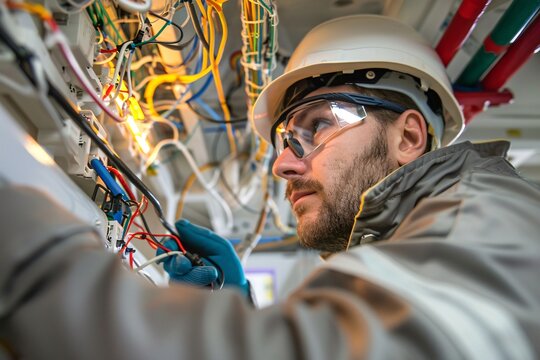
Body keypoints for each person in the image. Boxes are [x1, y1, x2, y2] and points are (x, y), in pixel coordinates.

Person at [1, 14, 540, 360]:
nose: (282, 163)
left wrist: (30, 252)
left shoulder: (490, 224)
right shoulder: (441, 230)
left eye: (320, 124)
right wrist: (242, 312)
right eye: (286, 138)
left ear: (410, 136)